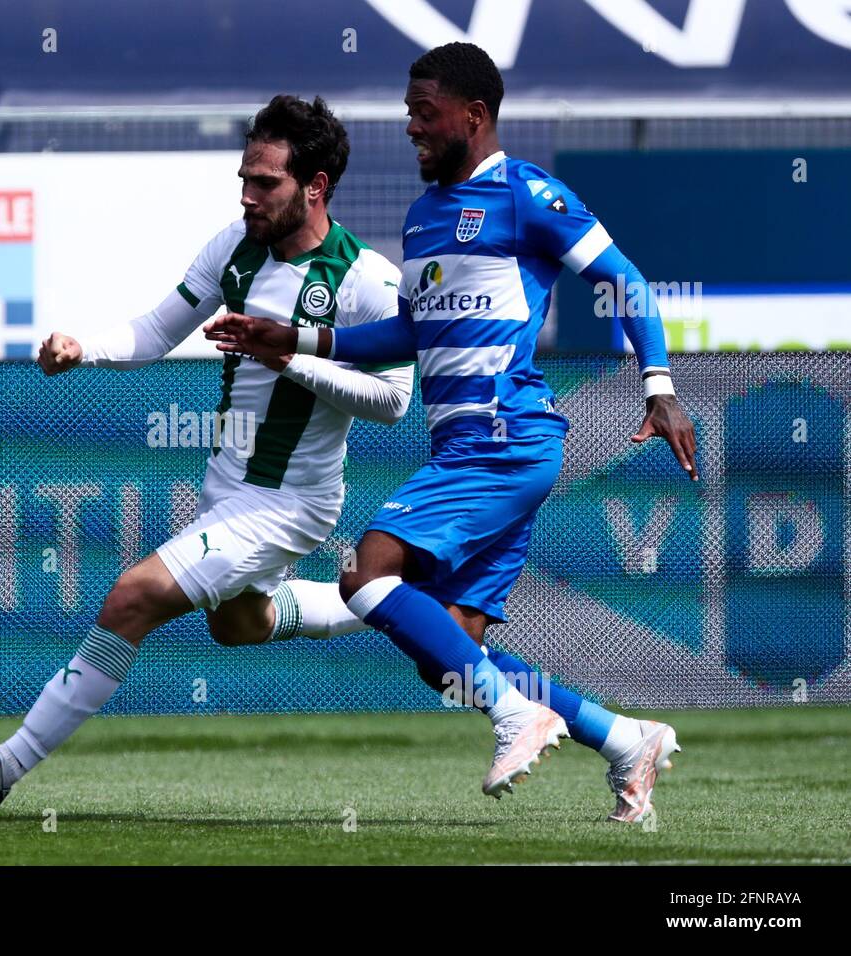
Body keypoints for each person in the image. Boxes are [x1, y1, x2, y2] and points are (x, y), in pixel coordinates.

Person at [205, 44, 696, 823]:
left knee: (366, 575)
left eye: (424, 112)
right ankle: (623, 737)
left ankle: (518, 716)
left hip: (504, 435)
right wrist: (292, 338)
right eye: (408, 111)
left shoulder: (525, 193)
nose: (410, 126)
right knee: (453, 655)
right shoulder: (425, 214)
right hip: (472, 448)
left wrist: (659, 385)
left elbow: (623, 280)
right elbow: (411, 331)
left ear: (474, 116)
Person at [0, 94, 413, 817]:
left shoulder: (366, 278)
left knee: (132, 597)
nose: (248, 195)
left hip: (292, 504)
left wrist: (289, 359)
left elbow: (395, 401)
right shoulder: (234, 248)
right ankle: (386, 598)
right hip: (228, 491)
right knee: (238, 624)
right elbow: (154, 333)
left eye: (265, 183)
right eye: (245, 178)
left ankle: (4, 766)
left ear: (315, 187)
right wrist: (81, 348)